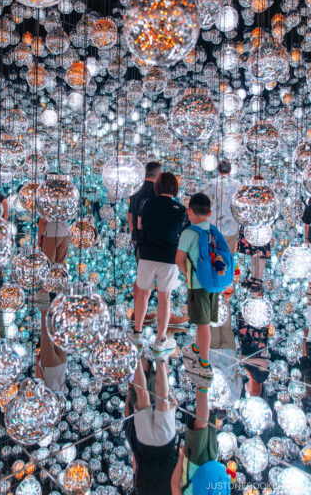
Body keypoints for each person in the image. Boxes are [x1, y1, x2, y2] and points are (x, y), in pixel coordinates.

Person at [132, 172, 186, 353]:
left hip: (147, 254)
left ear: (157, 187)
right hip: (169, 257)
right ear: (174, 188)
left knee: (143, 295)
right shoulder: (180, 209)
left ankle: (137, 333)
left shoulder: (147, 205)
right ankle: (161, 340)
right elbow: (182, 234)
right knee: (164, 298)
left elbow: (140, 226)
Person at [176, 194, 218, 379]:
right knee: (205, 319)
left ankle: (204, 364)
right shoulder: (213, 230)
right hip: (213, 282)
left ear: (189, 212)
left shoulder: (188, 233)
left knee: (203, 324)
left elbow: (179, 259)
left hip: (197, 283)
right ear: (209, 212)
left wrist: (186, 274)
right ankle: (195, 348)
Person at [125, 350, 177, 495]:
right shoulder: (140, 490)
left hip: (165, 443)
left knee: (162, 398)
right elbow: (136, 464)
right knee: (142, 395)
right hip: (145, 445)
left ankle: (160, 356)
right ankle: (136, 351)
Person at [171, 385, 231, 495]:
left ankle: (208, 381)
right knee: (202, 423)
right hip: (196, 466)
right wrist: (181, 458)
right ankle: (202, 380)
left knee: (209, 418)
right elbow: (174, 485)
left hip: (211, 464)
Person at [204, 160, 240, 255]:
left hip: (213, 225)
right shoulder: (237, 185)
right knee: (228, 256)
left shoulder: (212, 183)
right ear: (230, 170)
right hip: (232, 226)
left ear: (218, 171)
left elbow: (206, 203)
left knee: (213, 255)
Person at [128, 161, 161, 260]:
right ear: (159, 175)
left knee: (141, 269)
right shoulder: (157, 190)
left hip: (137, 236)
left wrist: (132, 231)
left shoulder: (136, 189)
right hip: (152, 239)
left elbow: (130, 213)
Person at [38, 174, 69, 266]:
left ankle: (49, 281)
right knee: (61, 264)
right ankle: (62, 280)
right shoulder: (66, 196)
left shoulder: (47, 198)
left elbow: (43, 221)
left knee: (48, 263)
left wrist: (39, 238)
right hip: (65, 234)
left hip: (51, 234)